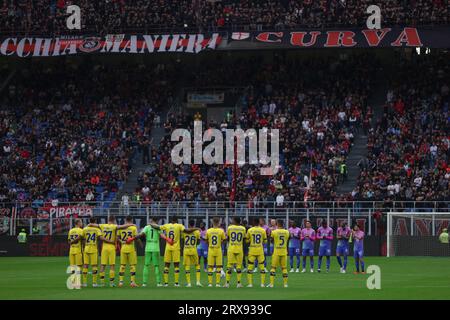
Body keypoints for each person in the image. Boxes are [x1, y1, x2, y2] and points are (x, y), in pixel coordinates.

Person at [150, 216, 199, 287]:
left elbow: (157, 227)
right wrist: (196, 228)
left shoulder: (166, 225)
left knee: (167, 265)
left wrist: (150, 224)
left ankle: (166, 283)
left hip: (168, 247)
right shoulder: (179, 226)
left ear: (171, 220)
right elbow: (187, 231)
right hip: (176, 247)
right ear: (176, 220)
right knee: (176, 265)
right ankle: (176, 283)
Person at [87, 216, 135, 287]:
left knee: (103, 265)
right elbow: (122, 227)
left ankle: (102, 283)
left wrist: (89, 225)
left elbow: (91, 224)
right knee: (112, 265)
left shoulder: (102, 225)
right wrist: (131, 224)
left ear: (108, 220)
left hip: (104, 247)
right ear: (114, 220)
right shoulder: (114, 226)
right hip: (112, 246)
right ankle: (111, 283)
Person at [129, 217, 172, 287]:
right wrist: (168, 239)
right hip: (155, 248)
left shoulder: (147, 227)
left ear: (151, 220)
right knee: (156, 266)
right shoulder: (158, 228)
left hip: (148, 247)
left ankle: (144, 283)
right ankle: (158, 283)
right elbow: (162, 236)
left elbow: (141, 234)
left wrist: (132, 238)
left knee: (146, 265)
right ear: (157, 220)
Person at [117, 216, 139, 287]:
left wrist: (122, 242)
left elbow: (117, 237)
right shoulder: (133, 228)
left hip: (123, 247)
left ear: (125, 220)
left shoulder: (121, 228)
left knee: (122, 265)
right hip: (131, 248)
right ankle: (132, 282)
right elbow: (136, 237)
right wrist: (131, 239)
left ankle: (120, 282)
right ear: (132, 220)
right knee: (132, 265)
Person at [225, 217, 246, 288]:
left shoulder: (230, 228)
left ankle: (227, 283)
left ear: (234, 221)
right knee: (239, 266)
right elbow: (243, 238)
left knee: (229, 265)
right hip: (239, 248)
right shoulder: (243, 228)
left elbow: (228, 238)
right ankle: (239, 283)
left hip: (231, 248)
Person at [205, 217, 226, 287]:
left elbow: (206, 241)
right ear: (219, 222)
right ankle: (217, 283)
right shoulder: (221, 231)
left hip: (211, 249)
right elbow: (224, 240)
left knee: (210, 267)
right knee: (219, 267)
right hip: (218, 249)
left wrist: (210, 244)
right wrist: (220, 242)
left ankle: (210, 283)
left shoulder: (208, 231)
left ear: (212, 222)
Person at [246, 218, 267, 287]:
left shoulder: (250, 230)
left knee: (250, 267)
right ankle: (262, 284)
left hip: (252, 250)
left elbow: (247, 241)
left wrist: (250, 240)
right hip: (260, 250)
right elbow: (265, 241)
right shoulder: (263, 230)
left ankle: (250, 284)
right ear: (259, 223)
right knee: (262, 267)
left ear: (253, 223)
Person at [268, 220, 290, 288]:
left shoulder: (274, 232)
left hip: (276, 251)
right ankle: (285, 284)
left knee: (273, 268)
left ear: (277, 224)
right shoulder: (287, 232)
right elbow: (287, 240)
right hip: (284, 251)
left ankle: (271, 284)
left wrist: (270, 236)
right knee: (284, 268)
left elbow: (271, 241)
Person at [82, 217, 102, 287]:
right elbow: (100, 238)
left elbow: (83, 238)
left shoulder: (85, 229)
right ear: (95, 221)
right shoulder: (97, 229)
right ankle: (94, 283)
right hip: (93, 248)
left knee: (85, 265)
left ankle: (84, 283)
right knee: (94, 266)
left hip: (86, 248)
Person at [183, 220, 202, 287]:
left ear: (188, 224)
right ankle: (198, 282)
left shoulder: (184, 231)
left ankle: (189, 283)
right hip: (194, 249)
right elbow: (199, 242)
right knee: (197, 265)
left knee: (187, 266)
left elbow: (183, 239)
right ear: (194, 224)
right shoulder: (197, 232)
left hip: (186, 250)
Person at [68, 219, 84, 288]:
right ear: (78, 223)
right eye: (81, 222)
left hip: (71, 250)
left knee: (72, 267)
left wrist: (71, 242)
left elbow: (68, 241)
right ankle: (78, 283)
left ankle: (72, 282)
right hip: (78, 250)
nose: (82, 223)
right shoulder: (81, 230)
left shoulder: (71, 230)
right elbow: (80, 238)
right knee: (79, 267)